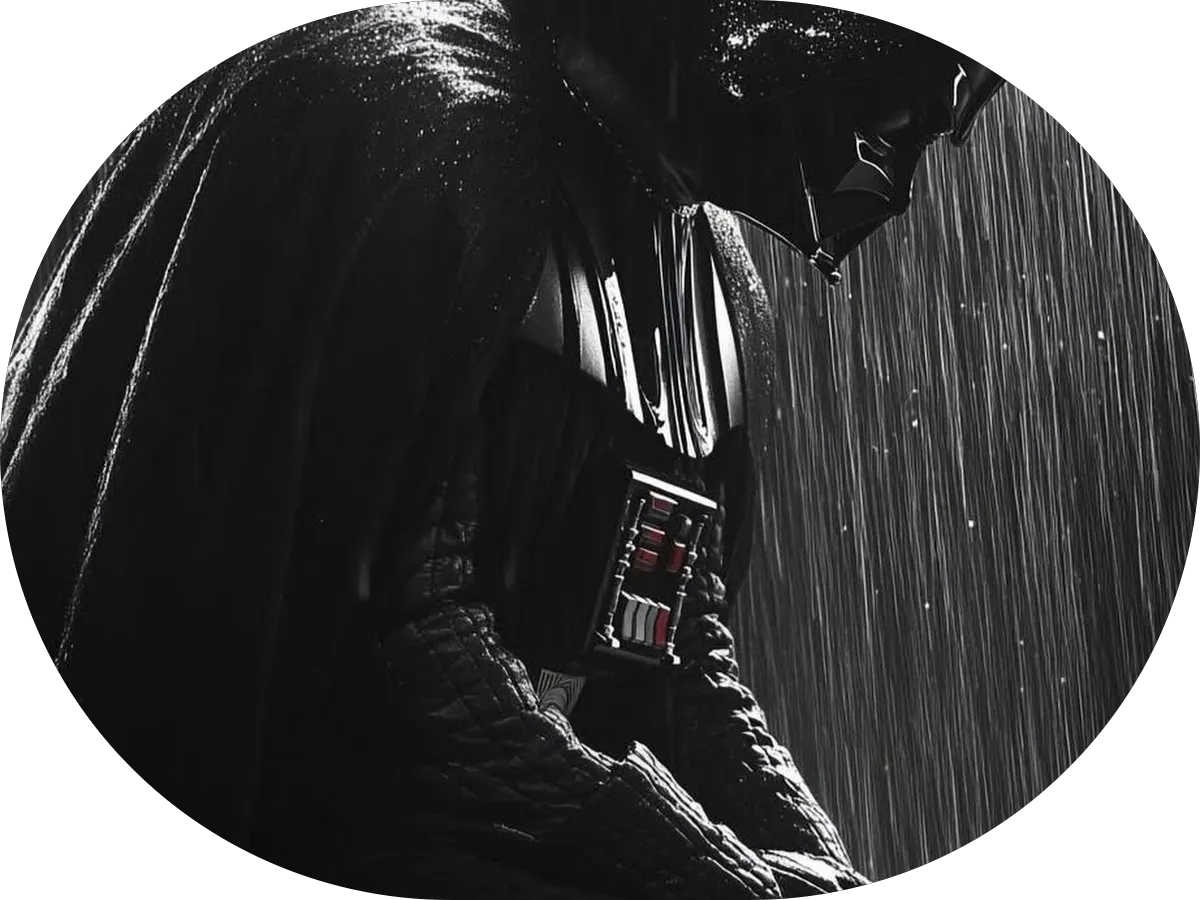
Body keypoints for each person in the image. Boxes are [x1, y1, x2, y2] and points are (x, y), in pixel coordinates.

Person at [0, 2, 1003, 897]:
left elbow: (673, 644)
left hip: (497, 805)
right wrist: (712, 872)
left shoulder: (698, 262)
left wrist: (806, 856)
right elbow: (408, 668)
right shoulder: (416, 129)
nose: (899, 181)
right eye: (905, 120)